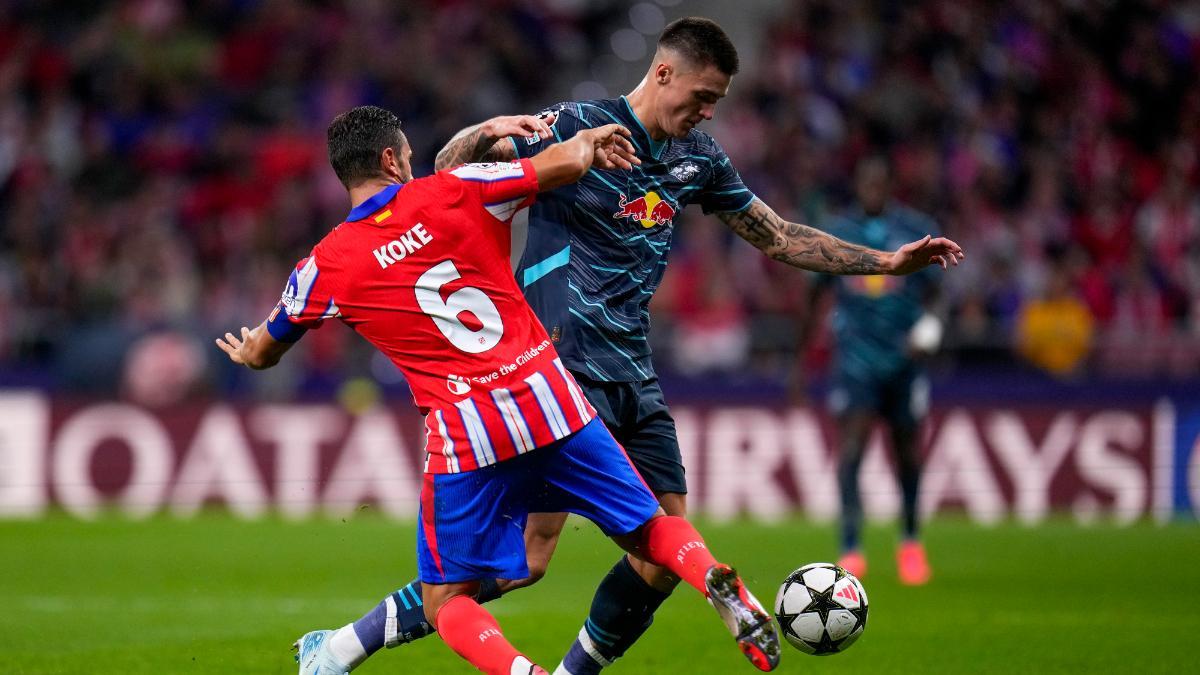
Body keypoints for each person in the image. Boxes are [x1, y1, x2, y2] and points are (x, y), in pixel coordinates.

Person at [376, 17, 963, 675]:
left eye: (717, 101)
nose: (708, 111)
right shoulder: (576, 125)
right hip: (559, 367)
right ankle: (358, 636)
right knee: (529, 560)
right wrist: (492, 131)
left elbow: (780, 236)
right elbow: (447, 172)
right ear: (663, 73)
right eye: (702, 96)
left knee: (659, 561)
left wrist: (889, 261)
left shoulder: (699, 159)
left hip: (634, 371)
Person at [216, 105, 782, 675]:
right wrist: (589, 138)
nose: (414, 163)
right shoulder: (459, 187)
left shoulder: (323, 266)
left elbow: (264, 352)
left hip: (467, 430)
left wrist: (247, 349)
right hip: (551, 398)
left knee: (446, 601)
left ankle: (520, 672)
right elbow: (564, 163)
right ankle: (709, 573)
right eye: (408, 155)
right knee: (652, 529)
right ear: (391, 158)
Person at [805, 157, 944, 586]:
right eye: (866, 182)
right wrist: (798, 361)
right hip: (856, 362)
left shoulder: (915, 230)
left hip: (905, 360)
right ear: (858, 185)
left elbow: (938, 292)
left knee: (907, 455)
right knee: (851, 452)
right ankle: (851, 549)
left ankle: (910, 542)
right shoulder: (838, 233)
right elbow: (814, 297)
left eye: (879, 181)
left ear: (889, 184)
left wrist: (930, 328)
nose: (873, 189)